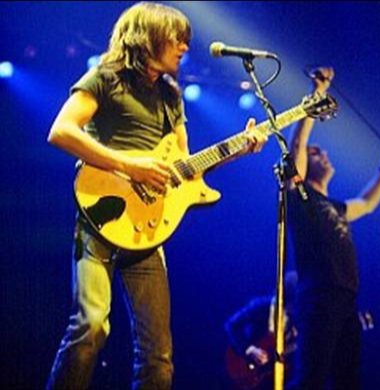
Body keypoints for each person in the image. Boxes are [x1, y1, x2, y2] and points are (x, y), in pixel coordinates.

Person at [45, 3, 267, 389]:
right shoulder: (105, 78)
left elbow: (186, 167)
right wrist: (130, 167)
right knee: (91, 327)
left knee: (158, 356)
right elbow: (61, 131)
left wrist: (241, 149)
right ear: (147, 37)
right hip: (102, 216)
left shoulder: (170, 95)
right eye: (176, 38)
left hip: (148, 231)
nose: (184, 46)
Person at [286, 67, 380, 390]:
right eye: (316, 153)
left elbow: (367, 202)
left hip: (345, 300)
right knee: (312, 378)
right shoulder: (301, 198)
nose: (323, 153)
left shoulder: (335, 207)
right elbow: (297, 147)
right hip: (319, 298)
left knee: (347, 380)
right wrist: (317, 94)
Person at [224, 271, 299, 390]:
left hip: (273, 376)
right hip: (245, 366)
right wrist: (249, 349)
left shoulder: (300, 317)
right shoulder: (262, 306)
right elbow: (232, 325)